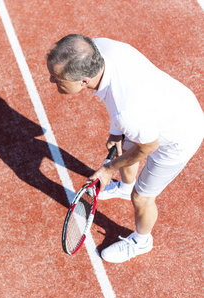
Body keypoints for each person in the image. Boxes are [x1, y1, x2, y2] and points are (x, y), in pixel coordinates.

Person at [46, 34, 204, 263]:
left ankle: (142, 242)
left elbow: (148, 147)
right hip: (162, 107)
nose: (52, 81)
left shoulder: (128, 111)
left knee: (142, 198)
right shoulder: (98, 49)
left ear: (83, 80)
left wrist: (109, 169)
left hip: (180, 136)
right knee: (121, 145)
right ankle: (124, 187)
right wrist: (116, 132)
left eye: (57, 78)